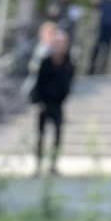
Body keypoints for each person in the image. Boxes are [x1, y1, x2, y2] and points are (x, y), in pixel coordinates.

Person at [30, 24, 74, 172]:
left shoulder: (68, 63)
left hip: (58, 104)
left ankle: (53, 164)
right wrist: (39, 101)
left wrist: (63, 97)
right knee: (41, 135)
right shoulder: (46, 62)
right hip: (45, 103)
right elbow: (39, 83)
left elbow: (68, 84)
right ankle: (38, 164)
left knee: (57, 135)